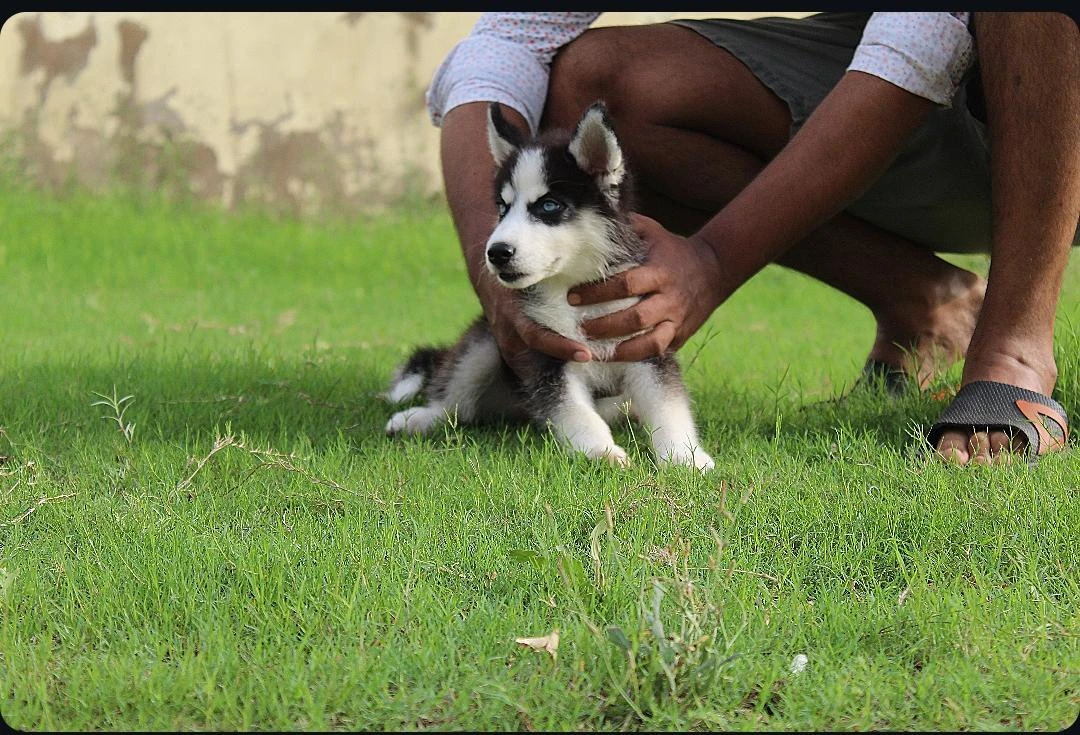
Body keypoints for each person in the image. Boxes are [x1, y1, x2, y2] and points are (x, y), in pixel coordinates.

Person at [425, 11, 1078, 466]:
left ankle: (1013, 348)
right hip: (946, 109)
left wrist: (712, 259)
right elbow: (507, 43)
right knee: (597, 85)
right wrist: (492, 264)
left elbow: (922, 38)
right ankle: (928, 304)